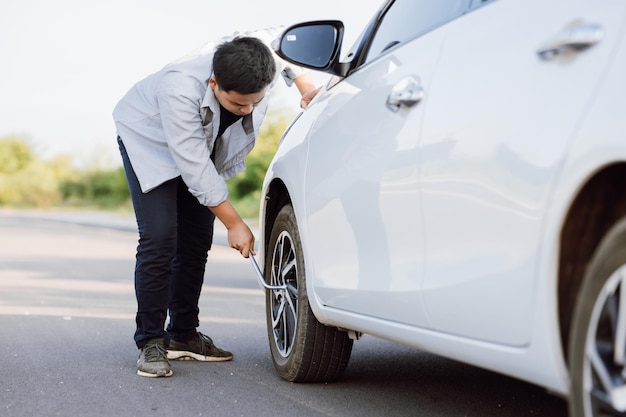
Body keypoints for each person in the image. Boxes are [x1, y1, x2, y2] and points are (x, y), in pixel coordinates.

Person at [112, 28, 319, 378]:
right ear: (213, 83)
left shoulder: (255, 53)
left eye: (256, 101)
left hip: (198, 148)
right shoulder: (178, 89)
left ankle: (184, 335)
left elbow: (280, 43)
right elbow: (194, 167)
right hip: (150, 139)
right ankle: (150, 340)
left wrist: (305, 86)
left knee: (195, 240)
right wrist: (234, 222)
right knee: (161, 236)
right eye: (238, 104)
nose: (247, 110)